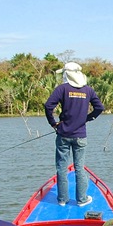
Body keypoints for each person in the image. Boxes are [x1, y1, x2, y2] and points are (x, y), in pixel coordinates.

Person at [44, 62, 104, 206]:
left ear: (66, 74)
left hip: (63, 134)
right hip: (80, 136)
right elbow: (99, 108)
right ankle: (82, 199)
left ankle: (62, 200)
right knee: (79, 167)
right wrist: (87, 118)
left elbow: (48, 106)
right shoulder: (88, 90)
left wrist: (53, 123)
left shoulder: (62, 89)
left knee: (61, 167)